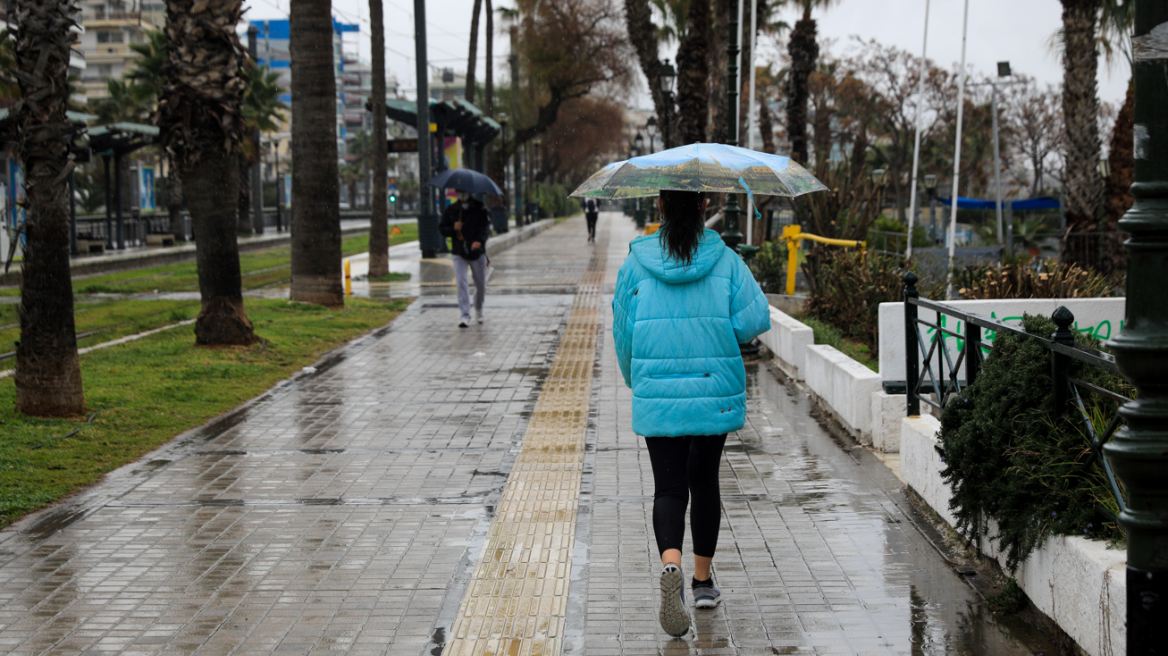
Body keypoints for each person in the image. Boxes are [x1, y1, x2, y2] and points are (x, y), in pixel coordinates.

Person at [611, 189, 771, 638]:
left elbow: (623, 333)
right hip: (711, 388)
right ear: (704, 208)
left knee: (669, 487)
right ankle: (702, 583)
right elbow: (753, 320)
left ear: (659, 208)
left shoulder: (635, 263)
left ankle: (670, 566)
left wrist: (634, 379)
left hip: (657, 392)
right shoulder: (725, 260)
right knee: (704, 481)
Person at [439, 188, 491, 328]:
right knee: (461, 283)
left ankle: (479, 308)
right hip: (458, 252)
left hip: (477, 252)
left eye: (464, 191)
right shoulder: (451, 209)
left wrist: (479, 241)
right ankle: (464, 315)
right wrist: (453, 228)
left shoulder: (480, 208)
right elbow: (442, 228)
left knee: (481, 285)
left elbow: (485, 227)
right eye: (459, 191)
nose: (462, 193)